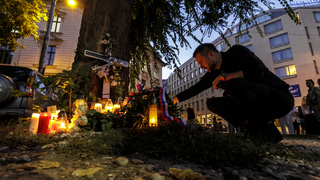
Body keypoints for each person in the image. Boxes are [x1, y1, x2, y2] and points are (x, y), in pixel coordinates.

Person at [172, 44, 294, 143]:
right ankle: (253, 128)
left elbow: (257, 73)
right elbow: (194, 89)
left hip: (279, 98)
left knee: (233, 84)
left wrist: (225, 76)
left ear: (211, 54)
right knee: (212, 103)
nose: (201, 67)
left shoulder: (237, 52)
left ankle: (267, 129)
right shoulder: (213, 74)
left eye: (201, 62)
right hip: (257, 104)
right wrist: (171, 101)